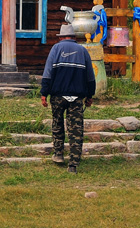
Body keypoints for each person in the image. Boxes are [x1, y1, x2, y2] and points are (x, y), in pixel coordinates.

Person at [41, 23, 96, 173]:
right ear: (73, 37)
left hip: (58, 96)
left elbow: (48, 73)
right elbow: (90, 77)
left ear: (61, 37)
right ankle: (73, 164)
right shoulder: (83, 51)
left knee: (57, 124)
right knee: (76, 130)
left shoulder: (56, 49)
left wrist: (44, 93)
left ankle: (58, 154)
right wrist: (90, 95)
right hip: (77, 98)